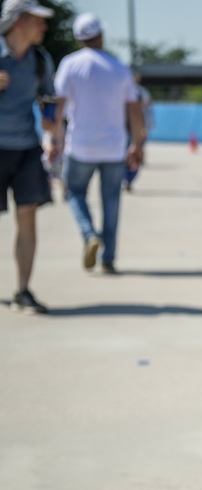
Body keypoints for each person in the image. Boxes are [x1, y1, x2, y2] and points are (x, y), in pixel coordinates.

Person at [53, 12, 145, 275]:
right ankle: (108, 257)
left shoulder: (70, 65)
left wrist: (54, 140)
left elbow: (57, 107)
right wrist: (137, 144)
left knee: (74, 191)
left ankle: (89, 233)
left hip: (80, 145)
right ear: (101, 35)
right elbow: (135, 111)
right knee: (111, 202)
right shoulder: (119, 68)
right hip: (114, 147)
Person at [0, 0, 56, 313]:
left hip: (26, 148)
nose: (44, 27)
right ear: (20, 21)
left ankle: (23, 289)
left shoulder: (39, 59)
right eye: (38, 20)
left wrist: (51, 125)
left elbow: (49, 97)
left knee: (28, 217)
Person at [123, 70, 154, 192]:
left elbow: (145, 111)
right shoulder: (121, 91)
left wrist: (145, 126)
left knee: (135, 155)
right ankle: (125, 178)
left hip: (136, 128)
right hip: (123, 129)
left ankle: (129, 179)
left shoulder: (142, 92)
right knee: (123, 156)